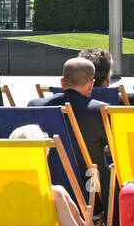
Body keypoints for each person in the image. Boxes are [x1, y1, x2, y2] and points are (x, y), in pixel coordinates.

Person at [28, 56, 110, 191]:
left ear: (62, 82)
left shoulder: (35, 106)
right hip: (91, 191)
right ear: (91, 84)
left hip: (47, 186)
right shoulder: (100, 110)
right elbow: (115, 149)